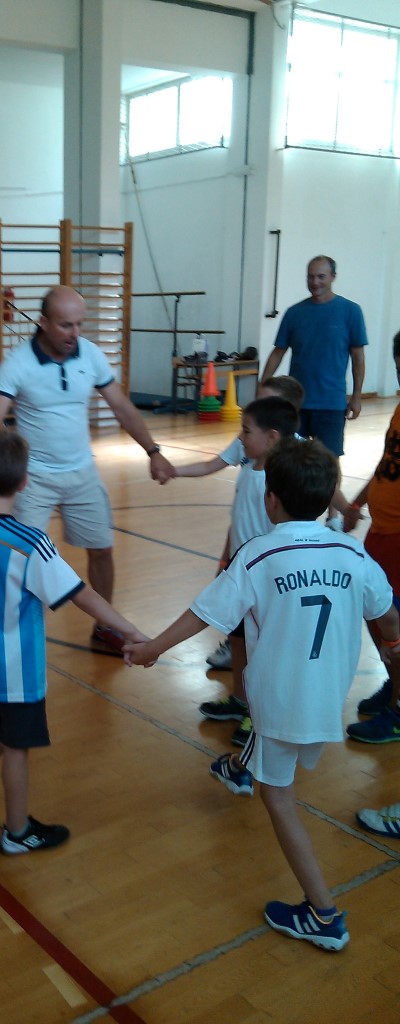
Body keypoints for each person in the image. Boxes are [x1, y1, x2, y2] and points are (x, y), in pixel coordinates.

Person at [125, 437, 400, 951]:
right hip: (327, 696)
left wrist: (152, 649)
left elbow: (204, 613)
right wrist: (392, 646)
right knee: (273, 757)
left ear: (269, 499)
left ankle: (323, 914)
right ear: (329, 496)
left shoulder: (258, 555)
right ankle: (239, 766)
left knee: (278, 795)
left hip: (280, 700)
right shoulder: (351, 552)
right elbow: (386, 614)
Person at [0, 429, 145, 870]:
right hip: (16, 673)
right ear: (25, 483)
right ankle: (18, 832)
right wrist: (130, 630)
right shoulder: (30, 543)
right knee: (15, 751)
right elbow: (82, 594)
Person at [0, 285, 175, 655]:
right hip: (32, 479)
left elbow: (122, 407)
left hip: (82, 472)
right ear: (43, 322)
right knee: (21, 557)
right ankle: (14, 635)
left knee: (102, 549)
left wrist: (153, 451)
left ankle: (105, 629)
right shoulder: (18, 363)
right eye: (66, 325)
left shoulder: (91, 355)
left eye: (80, 324)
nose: (75, 333)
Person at [179, 396, 299, 746]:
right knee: (238, 639)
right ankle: (240, 698)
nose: (241, 438)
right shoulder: (250, 467)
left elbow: (281, 535)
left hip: (263, 579)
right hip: (239, 571)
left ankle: (259, 712)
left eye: (246, 431)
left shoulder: (278, 483)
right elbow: (239, 521)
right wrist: (225, 560)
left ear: (272, 437)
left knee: (261, 648)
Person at [259, 255, 368, 526]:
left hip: (331, 402)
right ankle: (291, 511)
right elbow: (278, 352)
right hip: (296, 403)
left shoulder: (350, 312)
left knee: (329, 460)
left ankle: (332, 517)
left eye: (321, 276)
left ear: (333, 277)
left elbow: (358, 357)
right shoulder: (295, 313)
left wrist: (356, 396)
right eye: (310, 276)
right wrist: (263, 387)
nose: (315, 282)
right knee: (288, 457)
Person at [342, 330, 400, 744]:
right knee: (374, 610)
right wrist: (356, 503)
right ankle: (394, 682)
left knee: (394, 618)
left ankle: (398, 712)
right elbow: (387, 464)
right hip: (380, 533)